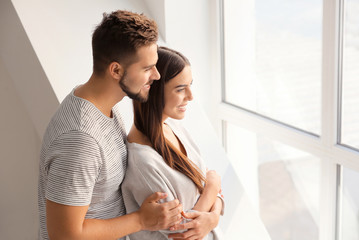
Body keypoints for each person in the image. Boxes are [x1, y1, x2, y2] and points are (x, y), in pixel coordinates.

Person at [38, 10, 183, 240]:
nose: (156, 76)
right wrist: (141, 220)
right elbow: (65, 235)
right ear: (115, 70)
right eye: (147, 68)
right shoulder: (80, 140)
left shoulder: (102, 106)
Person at [122, 46, 224, 240]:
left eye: (190, 85)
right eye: (180, 89)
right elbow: (182, 233)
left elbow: (210, 186)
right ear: (152, 91)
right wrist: (212, 188)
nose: (190, 96)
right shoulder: (143, 163)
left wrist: (213, 217)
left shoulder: (172, 127)